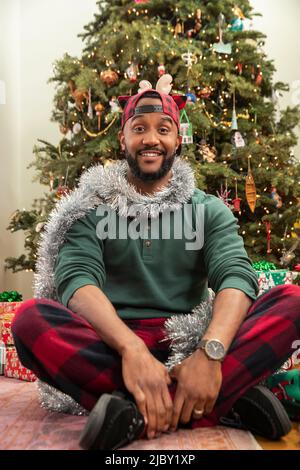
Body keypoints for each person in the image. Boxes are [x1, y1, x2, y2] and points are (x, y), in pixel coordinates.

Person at [12, 78, 300, 450]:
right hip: (113, 346)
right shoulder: (90, 209)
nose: (151, 139)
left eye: (163, 130)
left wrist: (211, 354)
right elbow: (76, 279)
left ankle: (130, 411)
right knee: (30, 322)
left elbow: (235, 275)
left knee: (293, 301)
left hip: (192, 342)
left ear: (178, 140)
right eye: (139, 129)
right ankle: (220, 401)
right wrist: (132, 351)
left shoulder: (207, 209)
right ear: (123, 140)